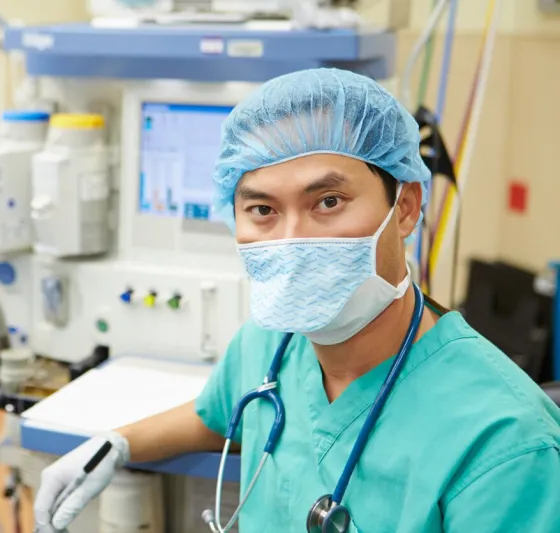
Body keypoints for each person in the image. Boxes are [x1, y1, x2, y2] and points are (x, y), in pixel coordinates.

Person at [33, 68, 560, 533]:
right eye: (262, 209)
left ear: (404, 208)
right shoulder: (270, 343)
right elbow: (217, 418)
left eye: (328, 202)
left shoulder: (504, 441)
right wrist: (118, 444)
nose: (292, 239)